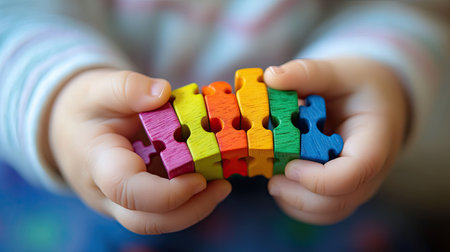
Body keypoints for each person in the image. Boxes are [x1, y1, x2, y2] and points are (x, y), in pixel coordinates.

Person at [0, 0, 449, 237]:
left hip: (303, 185)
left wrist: (379, 70)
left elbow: (403, 9)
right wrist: (58, 99)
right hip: (73, 174)